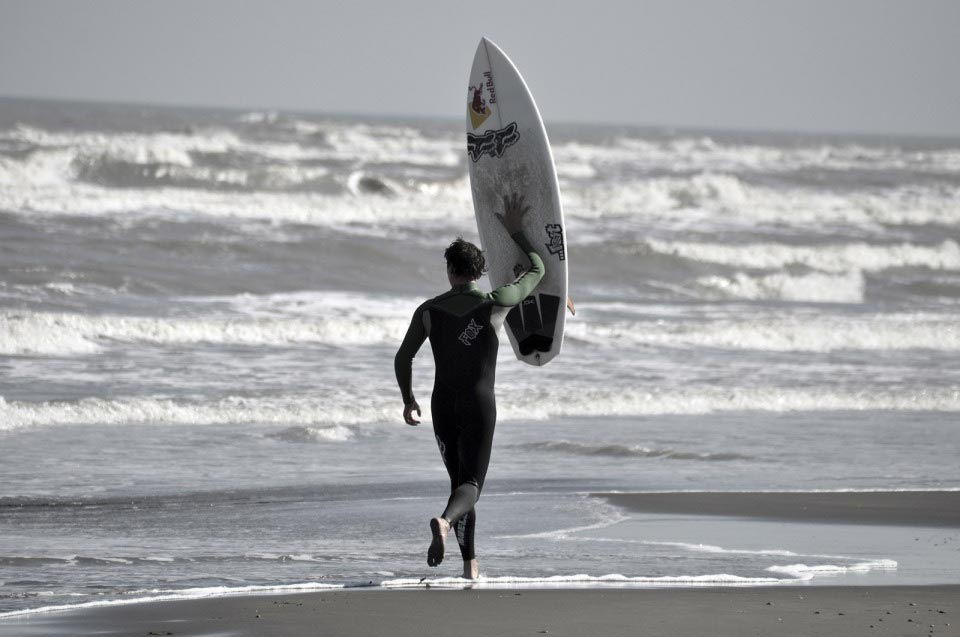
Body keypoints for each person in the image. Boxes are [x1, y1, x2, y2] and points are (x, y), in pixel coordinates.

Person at [394, 193, 545, 580]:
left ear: (449, 270)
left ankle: (469, 567)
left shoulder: (428, 311)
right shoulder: (495, 303)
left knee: (459, 483)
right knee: (471, 485)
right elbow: (538, 270)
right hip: (479, 405)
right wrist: (516, 233)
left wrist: (409, 399)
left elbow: (402, 358)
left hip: (443, 406)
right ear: (478, 271)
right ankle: (445, 524)